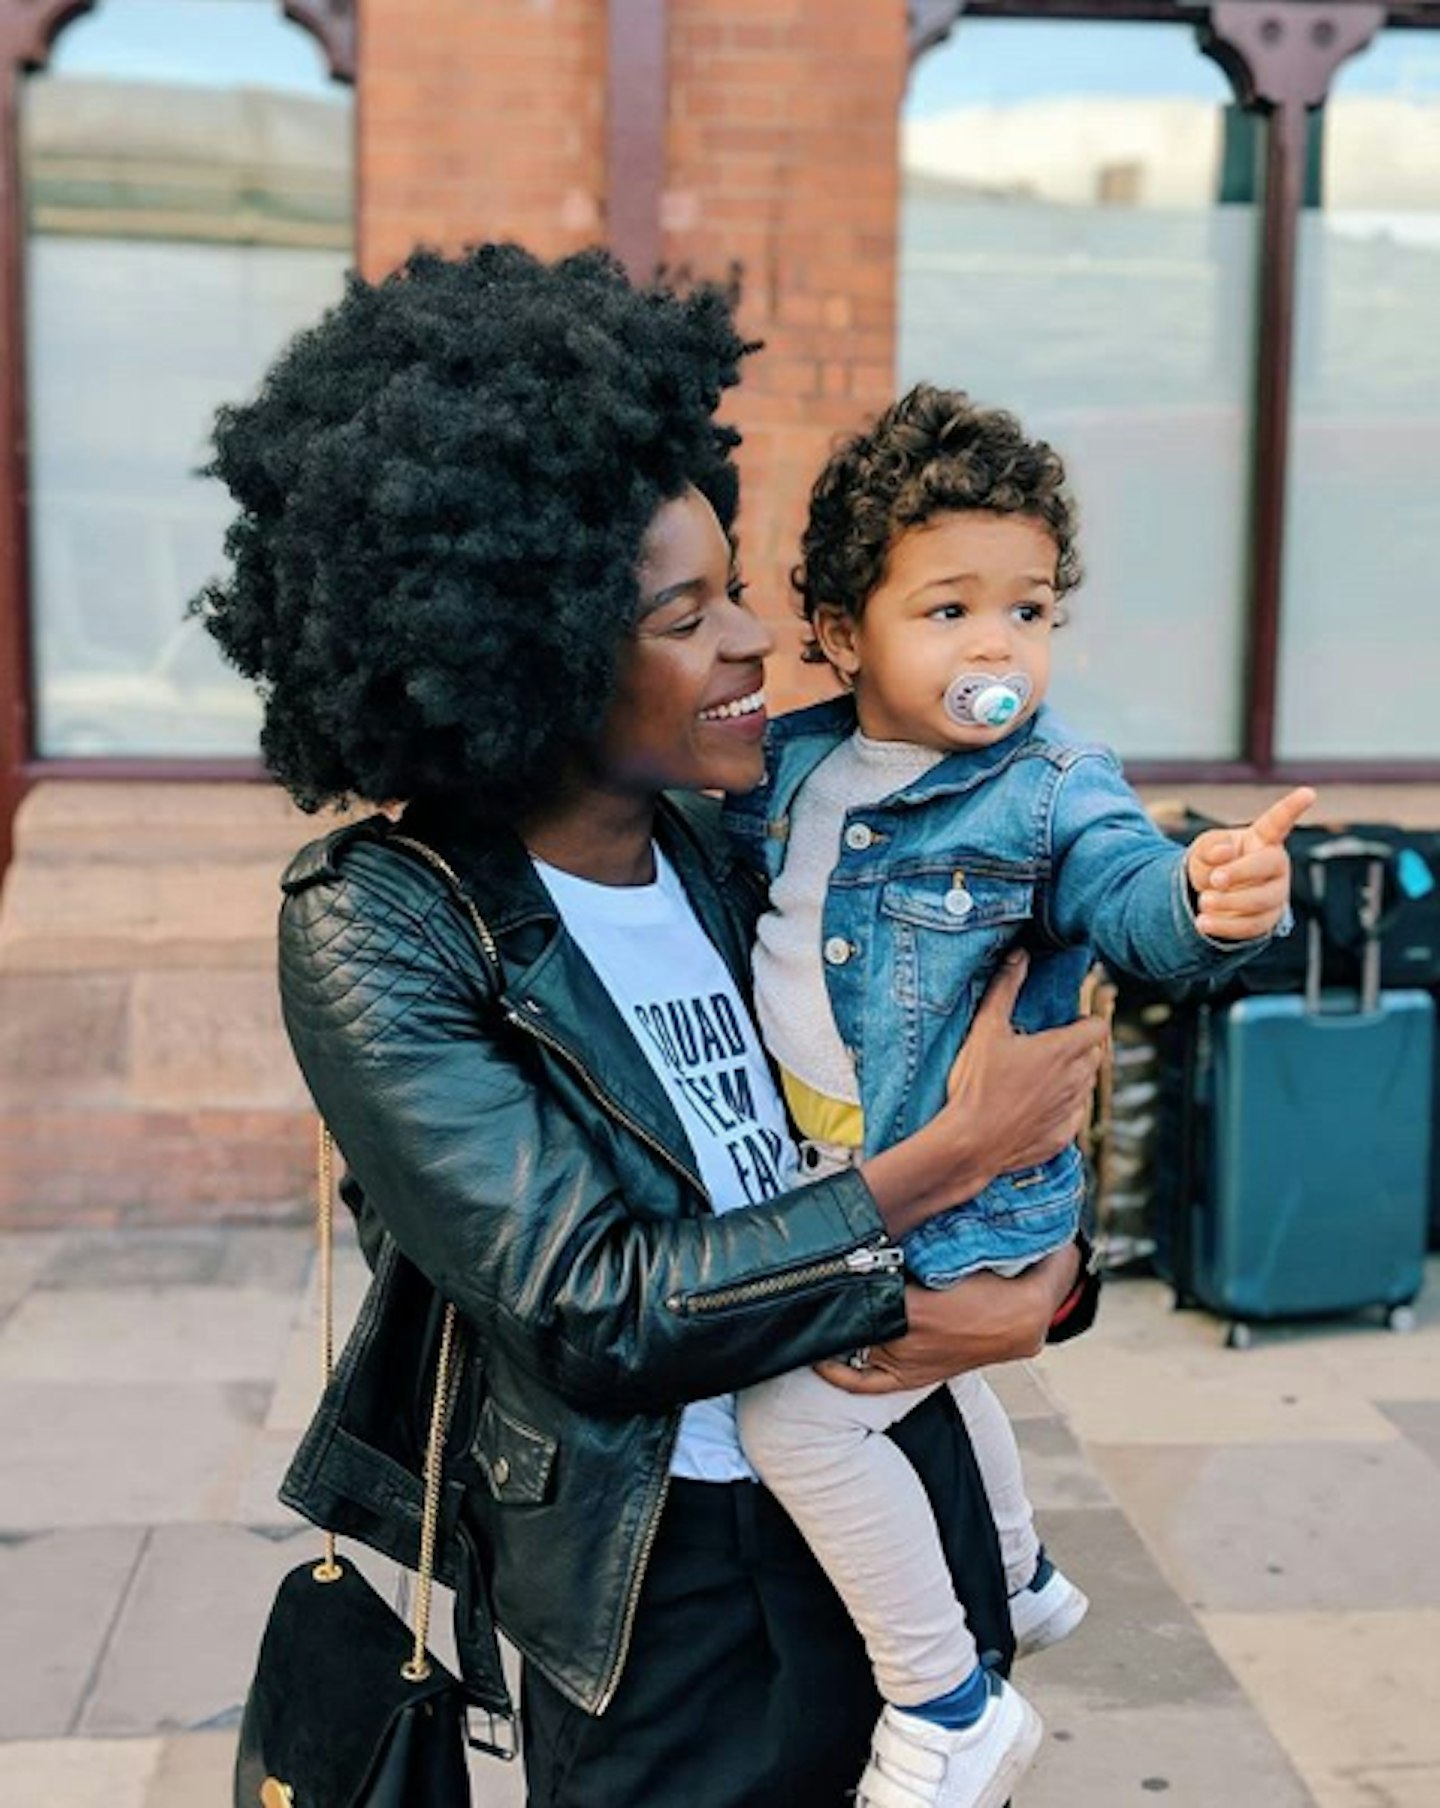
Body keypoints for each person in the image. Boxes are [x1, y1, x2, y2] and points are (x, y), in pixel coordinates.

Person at [197, 248, 1108, 1808]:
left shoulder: (734, 837)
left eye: (738, 587)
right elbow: (593, 1307)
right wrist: (940, 1182)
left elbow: (954, 1066)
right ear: (533, 649)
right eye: (688, 615)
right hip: (660, 1589)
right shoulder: (385, 922)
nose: (754, 641)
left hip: (893, 1494)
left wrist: (1047, 1282)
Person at [723, 383, 1315, 1808]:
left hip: (960, 1199)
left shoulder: (1052, 790)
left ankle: (947, 1703)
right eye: (949, 611)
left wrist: (1212, 900)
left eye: (1030, 610)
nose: (999, 645)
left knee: (790, 1423)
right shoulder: (789, 765)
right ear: (843, 632)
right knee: (941, 1385)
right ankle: (1024, 1572)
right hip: (840, 1178)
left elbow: (1132, 900)